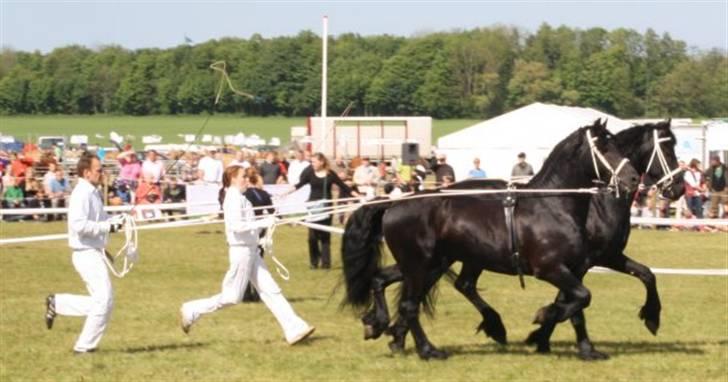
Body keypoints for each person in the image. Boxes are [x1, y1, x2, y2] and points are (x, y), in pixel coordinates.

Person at [179, 165, 315, 345]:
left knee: (271, 290)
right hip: (241, 252)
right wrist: (263, 222)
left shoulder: (240, 198)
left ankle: (294, 328)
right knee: (232, 297)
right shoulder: (233, 199)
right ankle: (192, 309)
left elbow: (247, 223)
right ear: (233, 179)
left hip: (251, 250)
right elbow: (236, 227)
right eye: (243, 177)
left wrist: (264, 228)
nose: (246, 180)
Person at [44, 152, 122, 354]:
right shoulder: (82, 193)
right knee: (103, 301)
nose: (102, 173)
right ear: (87, 172)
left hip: (95, 251)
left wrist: (116, 221)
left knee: (104, 302)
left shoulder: (92, 191)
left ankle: (58, 303)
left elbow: (101, 219)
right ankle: (84, 347)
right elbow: (78, 225)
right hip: (85, 253)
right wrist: (107, 228)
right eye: (98, 170)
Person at [290, 153, 359, 269]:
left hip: (326, 207)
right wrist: (284, 193)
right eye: (312, 162)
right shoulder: (309, 173)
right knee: (312, 237)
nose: (312, 164)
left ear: (321, 162)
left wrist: (357, 195)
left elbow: (343, 186)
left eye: (314, 162)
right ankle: (314, 262)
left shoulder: (330, 174)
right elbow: (299, 185)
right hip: (313, 208)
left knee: (325, 236)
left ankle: (326, 263)